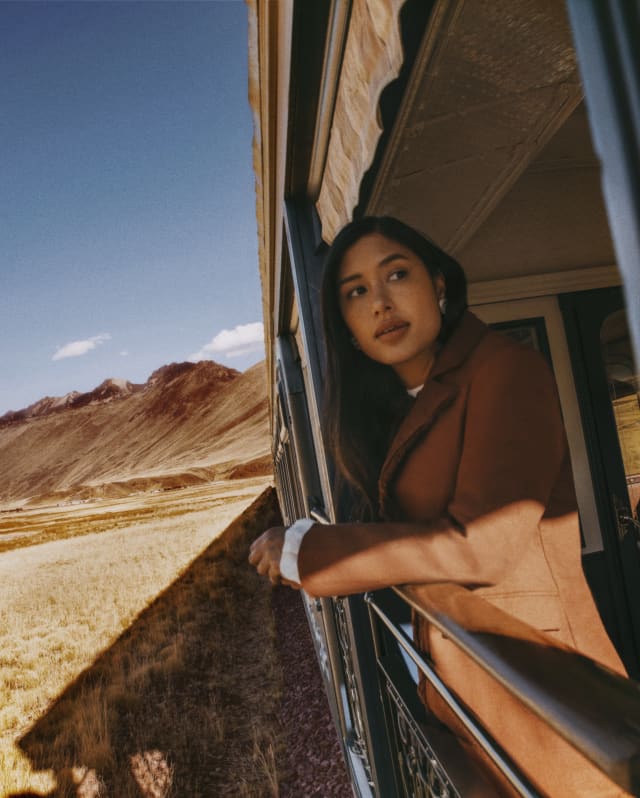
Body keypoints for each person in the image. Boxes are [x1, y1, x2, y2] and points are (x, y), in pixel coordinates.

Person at [249, 216, 627, 796]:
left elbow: (483, 546)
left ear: (440, 286)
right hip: (464, 682)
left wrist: (309, 551)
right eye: (356, 292)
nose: (380, 302)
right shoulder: (402, 405)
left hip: (539, 680)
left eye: (396, 274)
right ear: (346, 326)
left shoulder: (504, 369)